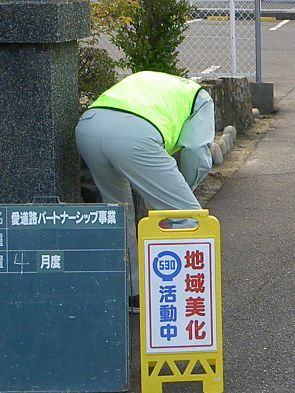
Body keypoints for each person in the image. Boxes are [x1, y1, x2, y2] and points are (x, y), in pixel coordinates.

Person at [75, 71, 215, 300]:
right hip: (134, 136)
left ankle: (131, 293)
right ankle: (183, 293)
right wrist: (184, 189)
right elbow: (195, 150)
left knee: (119, 214)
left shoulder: (148, 80)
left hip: (88, 126)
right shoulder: (200, 97)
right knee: (189, 218)